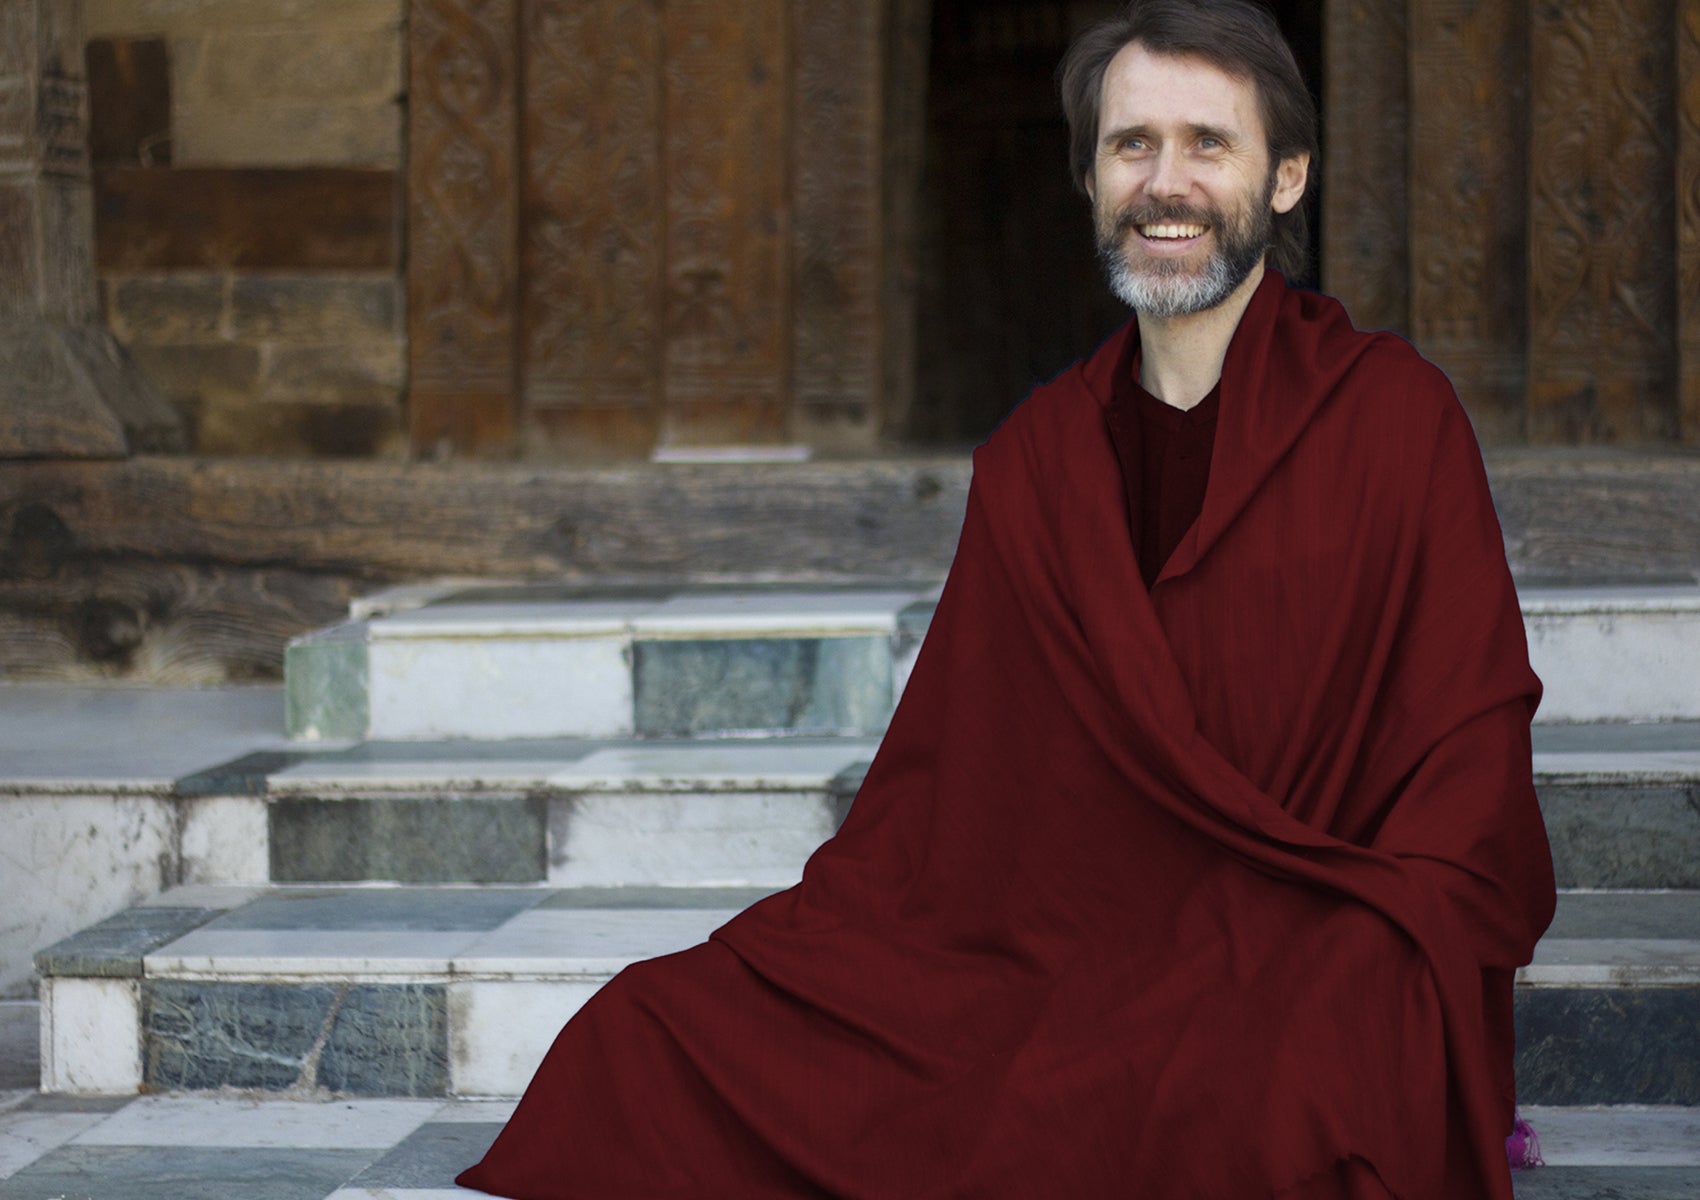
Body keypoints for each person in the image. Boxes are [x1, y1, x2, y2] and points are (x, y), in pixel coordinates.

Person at [459, 2, 1555, 1196]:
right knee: (654, 1034)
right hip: (1063, 939)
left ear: (1284, 178)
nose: (1164, 184)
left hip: (1305, 920)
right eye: (1130, 145)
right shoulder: (1039, 456)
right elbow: (951, 787)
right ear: (1088, 178)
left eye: (1207, 143)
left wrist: (1392, 930)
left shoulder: (1393, 419)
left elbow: (1467, 759)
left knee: (1265, 1084)